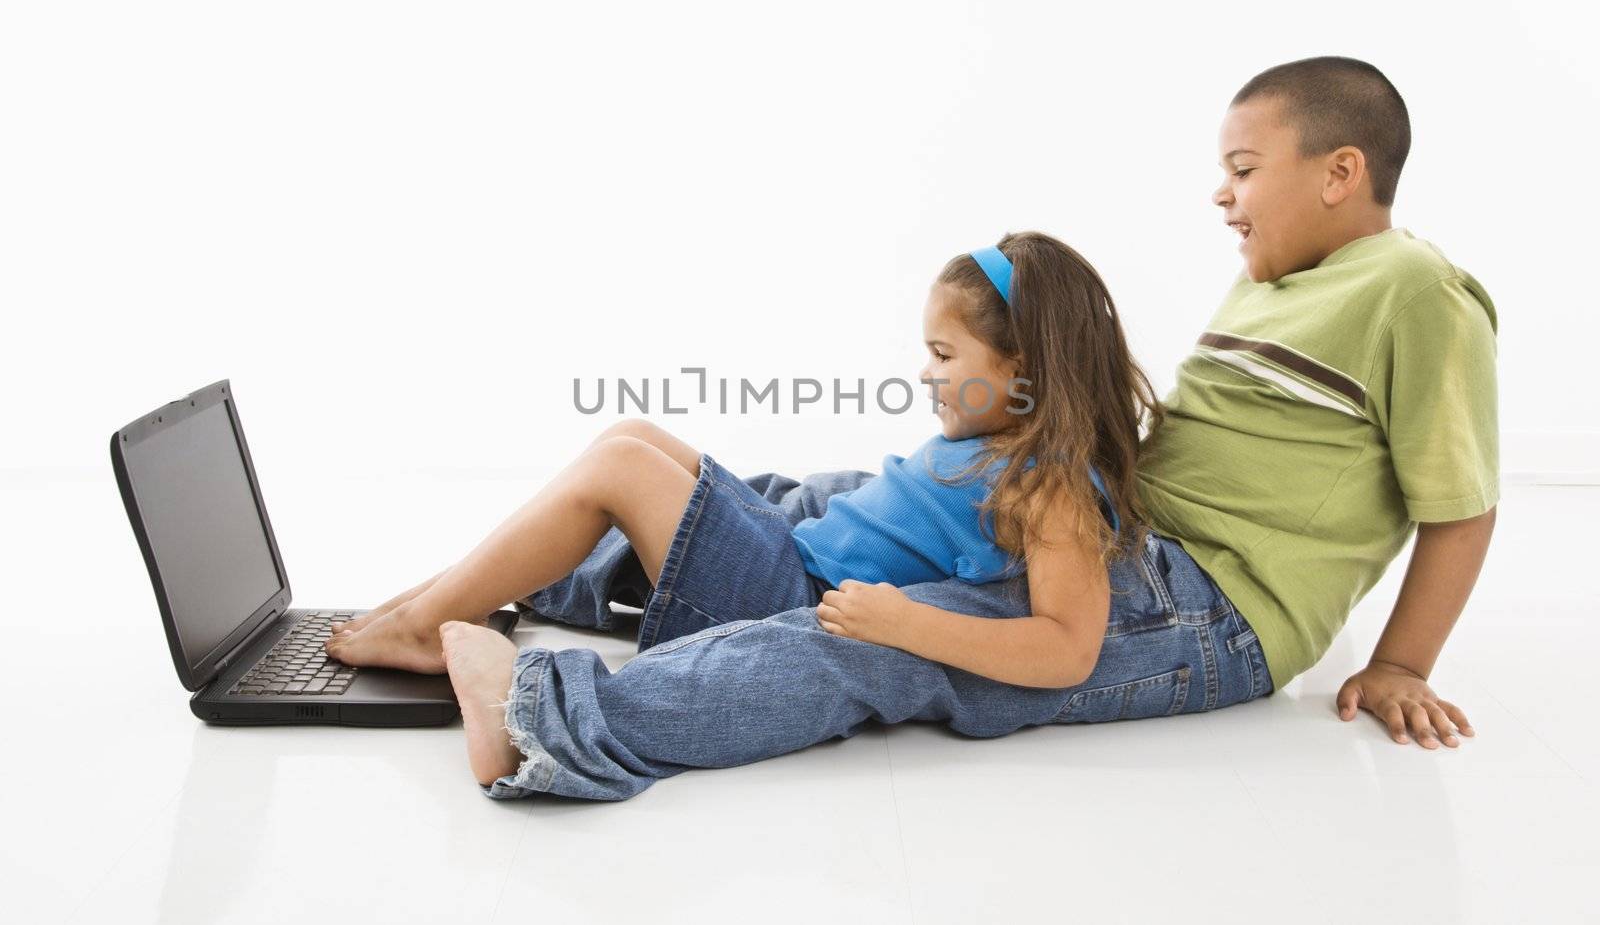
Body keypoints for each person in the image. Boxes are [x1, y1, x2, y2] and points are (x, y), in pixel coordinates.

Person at [324, 229, 1219, 796]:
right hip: (791, 548)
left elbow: (1069, 645)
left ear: (1025, 364)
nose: (925, 373)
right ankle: (464, 590)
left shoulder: (1051, 481)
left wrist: (905, 621)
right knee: (633, 436)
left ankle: (424, 623)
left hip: (784, 589)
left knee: (622, 466)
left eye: (944, 353)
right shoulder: (1010, 441)